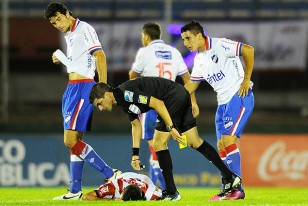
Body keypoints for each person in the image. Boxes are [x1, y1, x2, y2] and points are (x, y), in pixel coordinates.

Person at [89, 77, 241, 201]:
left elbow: (158, 103)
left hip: (171, 98)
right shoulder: (123, 101)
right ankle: (229, 177)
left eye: (99, 103)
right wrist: (135, 154)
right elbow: (136, 126)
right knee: (194, 141)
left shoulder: (126, 93)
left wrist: (171, 127)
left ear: (107, 94)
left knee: (158, 142)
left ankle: (171, 191)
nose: (101, 109)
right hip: (179, 94)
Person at [44, 2, 120, 200]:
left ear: (67, 13)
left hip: (83, 88)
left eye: (59, 19)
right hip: (72, 89)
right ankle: (75, 190)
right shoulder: (69, 34)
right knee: (76, 141)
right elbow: (79, 61)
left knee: (69, 141)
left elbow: (100, 56)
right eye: (53, 23)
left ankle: (111, 174)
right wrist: (60, 58)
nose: (58, 24)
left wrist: (102, 87)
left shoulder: (84, 29)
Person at [181, 20, 255, 200]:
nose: (185, 43)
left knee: (228, 140)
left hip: (238, 96)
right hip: (222, 103)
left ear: (199, 35)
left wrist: (246, 79)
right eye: (183, 39)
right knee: (221, 145)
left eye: (188, 38)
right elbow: (192, 84)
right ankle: (229, 187)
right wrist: (173, 97)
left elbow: (248, 50)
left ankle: (238, 189)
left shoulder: (221, 45)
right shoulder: (199, 58)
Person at [128, 22, 199, 190]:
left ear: (145, 36)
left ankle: (162, 187)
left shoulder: (145, 52)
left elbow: (132, 75)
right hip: (172, 104)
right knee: (163, 145)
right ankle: (161, 187)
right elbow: (188, 79)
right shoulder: (174, 51)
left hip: (152, 104)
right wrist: (193, 102)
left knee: (155, 146)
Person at [81, 172, 162, 201]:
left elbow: (159, 191)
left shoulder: (149, 193)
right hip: (125, 176)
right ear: (121, 193)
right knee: (115, 178)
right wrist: (111, 201)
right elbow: (85, 197)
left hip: (142, 179)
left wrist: (158, 190)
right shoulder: (113, 187)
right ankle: (115, 173)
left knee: (154, 187)